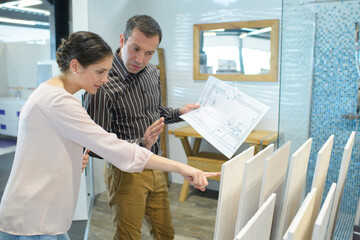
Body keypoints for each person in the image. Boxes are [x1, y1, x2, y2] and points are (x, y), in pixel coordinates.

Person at [0, 31, 219, 240]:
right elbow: (114, 148)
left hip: (40, 215)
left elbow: (42, 151)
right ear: (75, 66)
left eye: (107, 71)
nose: (105, 79)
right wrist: (182, 167)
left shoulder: (50, 93)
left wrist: (72, 156)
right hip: (33, 220)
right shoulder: (59, 101)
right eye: (100, 72)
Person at [83, 15, 200, 240]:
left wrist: (180, 113)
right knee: (128, 236)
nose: (140, 59)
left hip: (156, 164)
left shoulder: (152, 72)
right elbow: (96, 146)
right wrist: (141, 143)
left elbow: (155, 112)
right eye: (135, 49)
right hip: (126, 173)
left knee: (165, 233)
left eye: (149, 53)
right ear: (122, 40)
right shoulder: (101, 82)